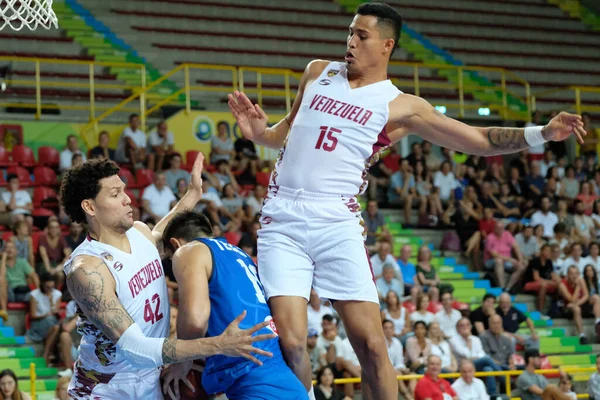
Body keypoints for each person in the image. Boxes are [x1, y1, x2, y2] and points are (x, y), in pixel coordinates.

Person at [227, 2, 586, 397]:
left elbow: (480, 141)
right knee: (291, 343)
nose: (350, 42)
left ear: (387, 45)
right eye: (349, 32)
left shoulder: (400, 106)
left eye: (362, 36)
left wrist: (542, 134)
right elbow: (286, 133)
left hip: (336, 221)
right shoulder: (317, 72)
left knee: (372, 346)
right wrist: (260, 133)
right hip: (283, 218)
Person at [59, 156, 276, 399]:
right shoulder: (87, 269)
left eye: (125, 190)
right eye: (115, 194)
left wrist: (193, 194)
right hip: (108, 388)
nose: (127, 199)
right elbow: (134, 348)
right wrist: (219, 344)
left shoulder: (139, 232)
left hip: (152, 375)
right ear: (89, 207)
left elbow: (165, 230)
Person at [159, 210, 307, 399]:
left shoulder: (188, 250)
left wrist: (182, 361)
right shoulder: (241, 255)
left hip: (255, 385)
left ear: (175, 244)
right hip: (284, 380)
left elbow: (195, 320)